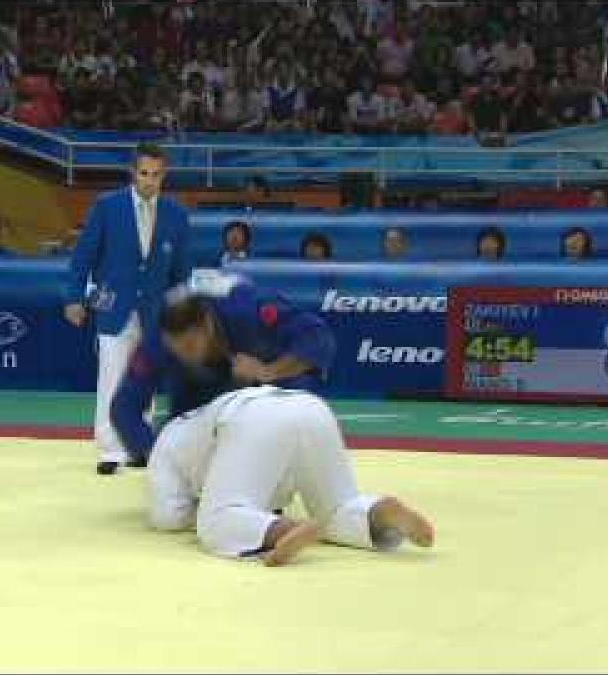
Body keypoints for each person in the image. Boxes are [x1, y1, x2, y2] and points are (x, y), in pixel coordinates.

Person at [147, 385, 435, 566]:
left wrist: (201, 506)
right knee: (335, 510)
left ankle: (283, 530)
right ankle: (381, 513)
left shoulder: (165, 445)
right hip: (310, 408)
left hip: (254, 419)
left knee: (215, 521)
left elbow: (167, 516)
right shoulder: (195, 423)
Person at [110, 275, 336, 468]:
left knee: (291, 397)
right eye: (176, 348)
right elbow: (124, 406)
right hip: (194, 389)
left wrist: (269, 372)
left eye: (189, 345)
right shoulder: (156, 343)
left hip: (263, 377)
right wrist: (157, 458)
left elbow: (318, 338)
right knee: (176, 443)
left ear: (207, 325)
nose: (184, 354)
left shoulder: (252, 310)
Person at [64, 143, 192, 475]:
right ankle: (110, 448)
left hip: (154, 309)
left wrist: (184, 311)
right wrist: (74, 297)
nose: (150, 181)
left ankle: (139, 444)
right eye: (144, 173)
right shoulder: (108, 207)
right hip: (114, 305)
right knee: (112, 375)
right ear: (133, 172)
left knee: (144, 378)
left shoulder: (176, 214)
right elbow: (84, 257)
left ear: (165, 175)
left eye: (157, 175)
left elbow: (181, 271)